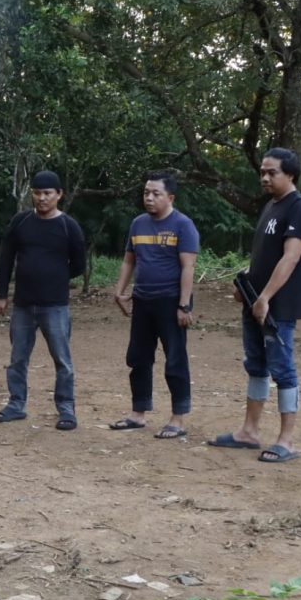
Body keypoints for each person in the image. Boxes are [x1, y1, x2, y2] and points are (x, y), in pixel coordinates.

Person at [209, 148, 301, 462]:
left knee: (283, 369)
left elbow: (291, 257)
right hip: (255, 301)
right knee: (256, 366)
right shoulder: (272, 206)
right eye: (263, 172)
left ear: (291, 175)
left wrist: (266, 297)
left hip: (277, 306)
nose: (265, 178)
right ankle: (249, 432)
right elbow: (265, 257)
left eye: (273, 173)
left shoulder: (299, 208)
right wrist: (248, 290)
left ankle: (286, 441)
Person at [0, 170, 86, 429]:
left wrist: (55, 276)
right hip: (23, 304)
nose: (42, 198)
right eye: (37, 193)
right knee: (17, 358)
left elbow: (79, 264)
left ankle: (66, 409)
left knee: (62, 360)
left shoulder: (69, 226)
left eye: (47, 193)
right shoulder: (20, 222)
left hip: (55, 305)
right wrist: (1, 294)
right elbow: (5, 260)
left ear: (59, 195)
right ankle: (16, 404)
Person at [110, 171, 199, 438]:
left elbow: (188, 267)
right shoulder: (138, 224)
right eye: (146, 193)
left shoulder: (183, 225)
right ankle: (138, 414)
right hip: (143, 300)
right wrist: (120, 291)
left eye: (155, 193)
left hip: (171, 301)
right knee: (138, 358)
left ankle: (177, 419)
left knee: (175, 359)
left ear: (170, 197)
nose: (149, 198)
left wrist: (184, 306)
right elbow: (129, 260)